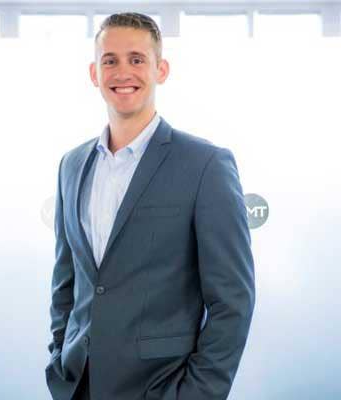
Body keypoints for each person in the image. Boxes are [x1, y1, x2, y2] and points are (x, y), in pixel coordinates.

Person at [45, 12, 255, 400]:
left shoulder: (205, 165)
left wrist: (197, 393)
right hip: (78, 385)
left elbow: (232, 300)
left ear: (161, 69)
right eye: (110, 60)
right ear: (94, 73)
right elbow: (66, 281)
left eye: (137, 59)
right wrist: (60, 355)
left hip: (161, 387)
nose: (122, 72)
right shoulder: (71, 165)